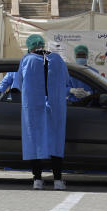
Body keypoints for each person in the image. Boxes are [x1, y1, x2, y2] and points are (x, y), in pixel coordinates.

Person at [16, 34, 69, 190]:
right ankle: (58, 181)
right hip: (55, 107)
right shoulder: (58, 59)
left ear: (31, 46)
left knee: (34, 141)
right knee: (56, 140)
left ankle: (37, 180)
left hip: (33, 108)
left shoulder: (27, 60)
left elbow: (18, 83)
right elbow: (66, 80)